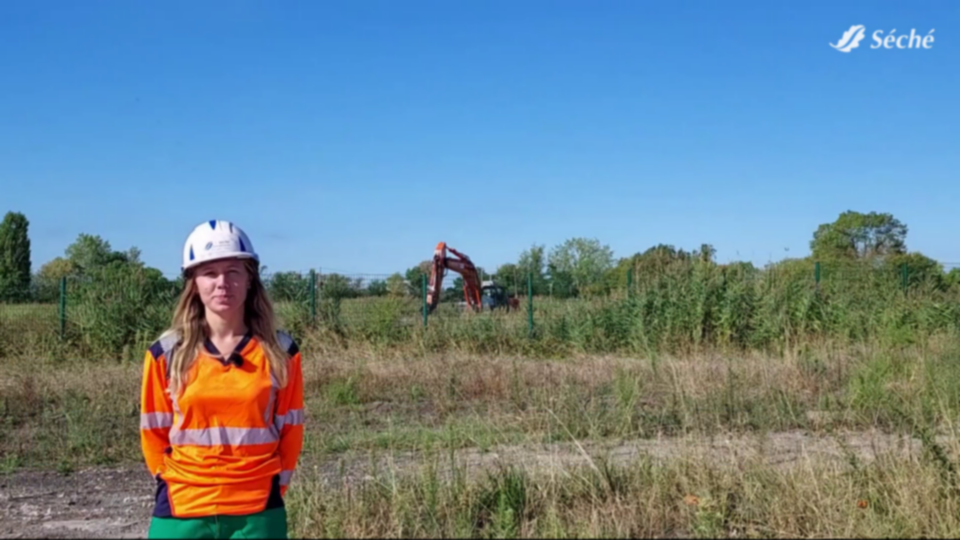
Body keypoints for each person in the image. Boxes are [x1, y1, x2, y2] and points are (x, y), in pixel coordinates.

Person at [139, 220, 304, 539]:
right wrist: (177, 480)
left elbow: (291, 431)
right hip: (183, 507)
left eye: (233, 272)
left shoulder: (281, 352)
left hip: (257, 510)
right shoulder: (166, 353)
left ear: (250, 279)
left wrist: (273, 486)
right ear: (193, 283)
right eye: (210, 273)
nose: (222, 283)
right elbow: (153, 434)